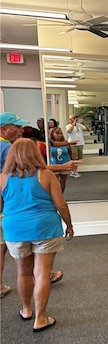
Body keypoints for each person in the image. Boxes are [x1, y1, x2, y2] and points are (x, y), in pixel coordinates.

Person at [1, 138, 74, 331]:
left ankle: (26, 310)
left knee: (23, 272)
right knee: (41, 273)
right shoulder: (46, 175)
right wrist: (70, 225)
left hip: (15, 230)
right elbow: (60, 204)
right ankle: (40, 318)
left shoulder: (3, 178)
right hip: (45, 228)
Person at [0, 112, 29, 298]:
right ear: (3, 129)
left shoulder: (6, 146)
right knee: (28, 241)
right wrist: (61, 167)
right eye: (16, 127)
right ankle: (41, 273)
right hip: (6, 205)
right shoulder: (5, 149)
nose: (21, 129)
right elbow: (28, 170)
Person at [48, 127, 74, 192]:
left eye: (61, 133)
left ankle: (61, 195)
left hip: (65, 163)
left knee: (63, 181)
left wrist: (73, 162)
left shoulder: (65, 143)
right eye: (57, 133)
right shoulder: (50, 144)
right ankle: (56, 195)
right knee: (55, 181)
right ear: (52, 134)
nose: (59, 135)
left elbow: (70, 153)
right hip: (54, 164)